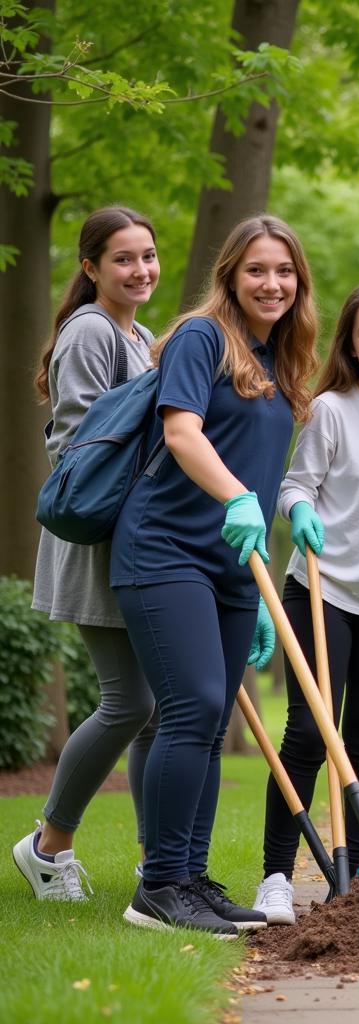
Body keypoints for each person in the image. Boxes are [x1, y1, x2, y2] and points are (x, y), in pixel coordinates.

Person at [110, 215, 318, 937]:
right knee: (193, 707)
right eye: (257, 270)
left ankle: (191, 879)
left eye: (284, 271)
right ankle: (159, 885)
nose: (272, 283)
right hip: (165, 549)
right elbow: (181, 432)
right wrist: (234, 497)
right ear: (231, 274)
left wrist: (259, 584)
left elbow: (261, 476)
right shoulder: (202, 336)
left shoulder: (279, 356)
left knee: (211, 717)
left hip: (233, 566)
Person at [254, 282, 359, 924]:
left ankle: (352, 876)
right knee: (305, 732)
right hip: (321, 589)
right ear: (351, 346)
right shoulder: (331, 409)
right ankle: (275, 874)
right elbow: (293, 486)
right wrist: (298, 512)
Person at [15, 208, 161, 901]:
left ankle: (158, 858)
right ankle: (49, 845)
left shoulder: (144, 337)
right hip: (97, 540)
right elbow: (80, 443)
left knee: (161, 705)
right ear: (91, 267)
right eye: (124, 258)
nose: (141, 270)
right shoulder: (91, 331)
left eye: (149, 256)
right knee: (129, 701)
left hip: (139, 537)